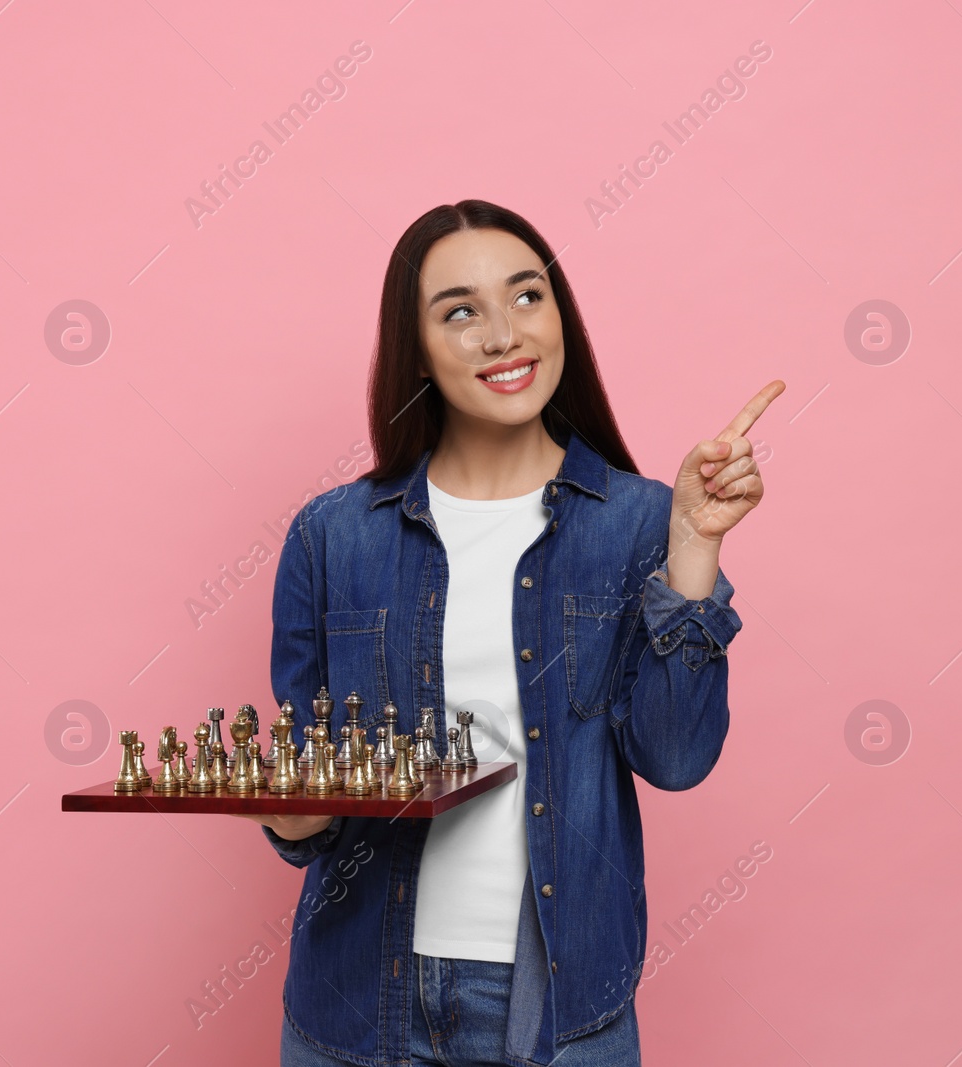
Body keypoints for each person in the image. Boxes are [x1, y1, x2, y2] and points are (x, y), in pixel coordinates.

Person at [238, 198, 783, 1067]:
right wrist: (296, 811)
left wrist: (694, 548)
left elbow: (676, 758)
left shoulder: (642, 521)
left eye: (528, 297)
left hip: (562, 1011)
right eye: (460, 311)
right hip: (354, 1004)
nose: (504, 334)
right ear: (415, 345)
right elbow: (309, 816)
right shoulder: (332, 533)